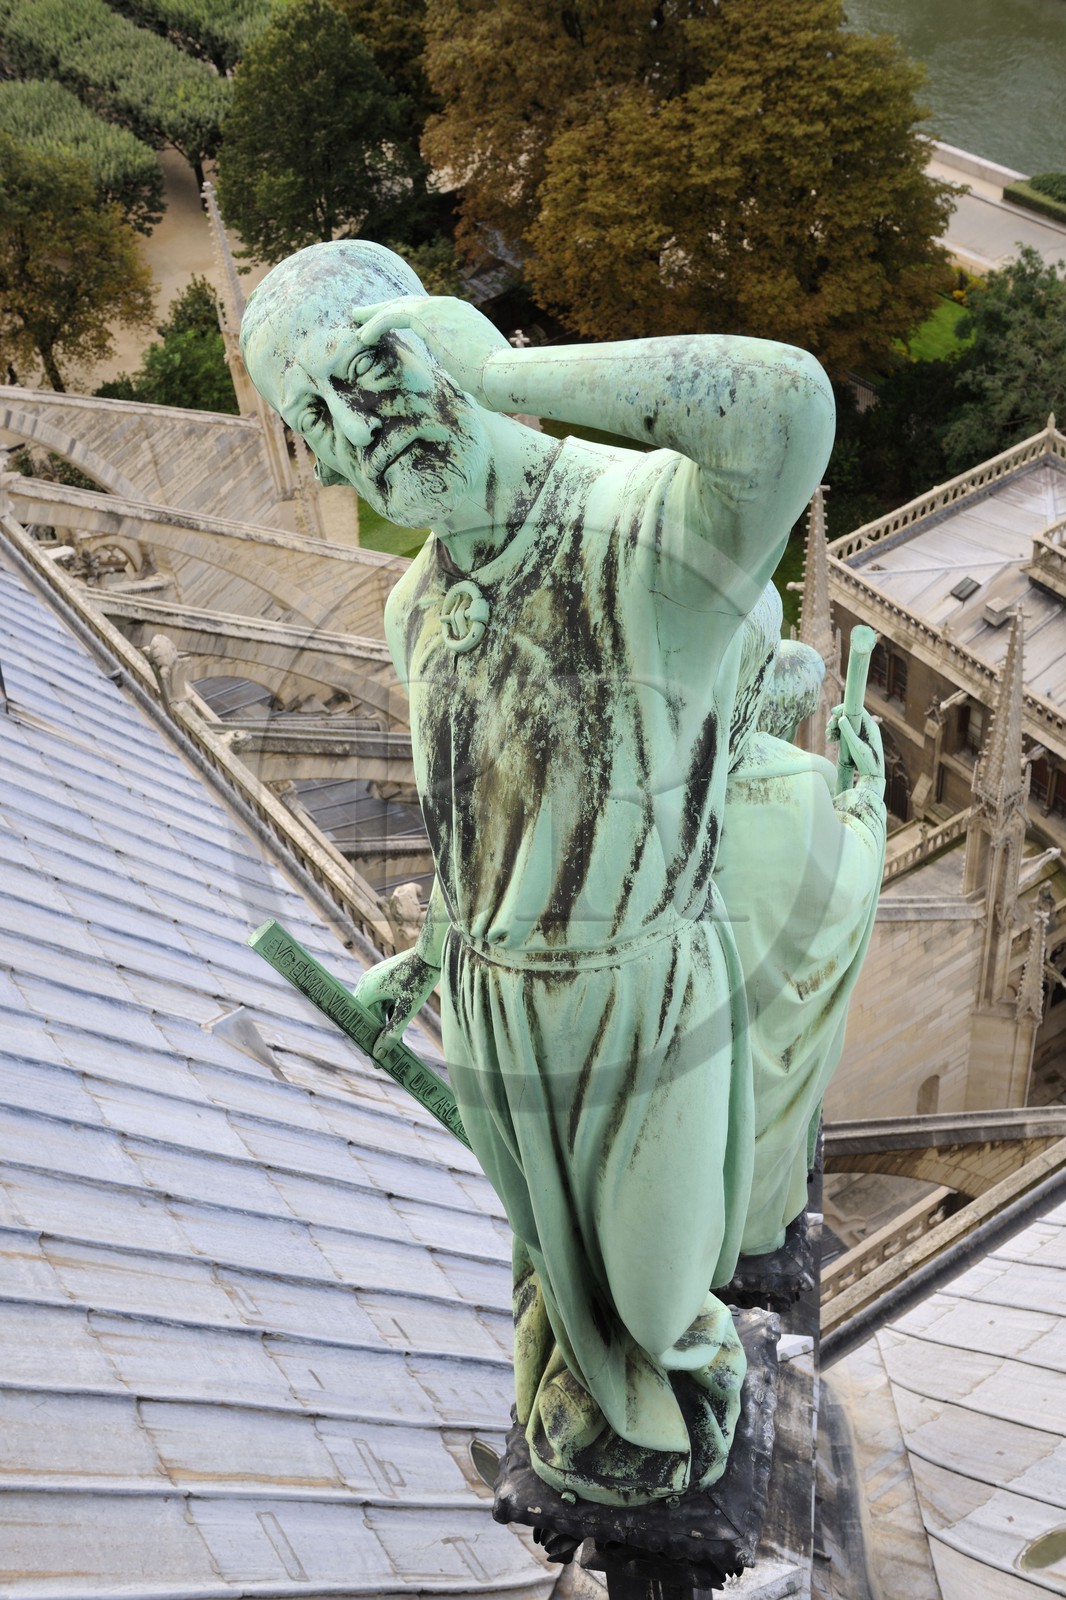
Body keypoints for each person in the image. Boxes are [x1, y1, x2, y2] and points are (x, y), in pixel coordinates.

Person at [240, 240, 835, 1506]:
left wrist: (512, 366)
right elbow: (476, 805)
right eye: (319, 418)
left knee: (658, 1298)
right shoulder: (415, 609)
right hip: (497, 1013)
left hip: (642, 1002)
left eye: (373, 368)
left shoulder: (646, 523)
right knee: (562, 1297)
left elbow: (787, 404)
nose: (361, 428)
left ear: (441, 338)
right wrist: (441, 938)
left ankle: (680, 1414)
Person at [715, 591, 886, 1260]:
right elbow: (844, 895)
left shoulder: (666, 778)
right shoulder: (804, 785)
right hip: (756, 1064)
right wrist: (867, 798)